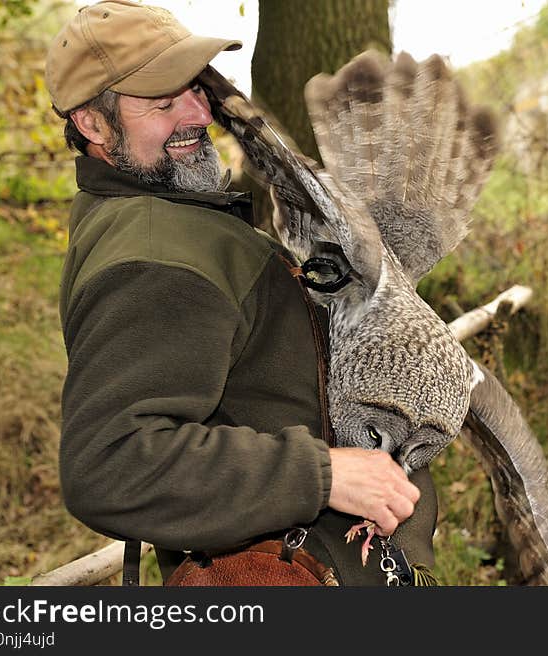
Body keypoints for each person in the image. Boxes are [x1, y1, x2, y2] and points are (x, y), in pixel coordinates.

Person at [45, 0, 436, 585]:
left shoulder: (168, 210)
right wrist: (326, 474)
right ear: (93, 125)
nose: (197, 113)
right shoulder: (154, 251)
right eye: (162, 102)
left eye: (196, 89)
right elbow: (109, 464)